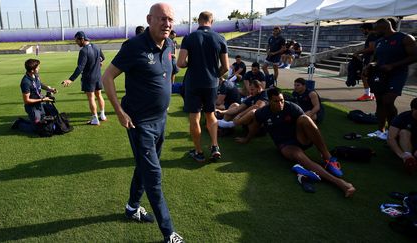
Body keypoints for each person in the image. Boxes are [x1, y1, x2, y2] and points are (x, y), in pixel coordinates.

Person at [100, 3, 184, 243]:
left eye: (170, 19)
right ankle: (169, 233)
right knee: (154, 175)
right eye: (162, 19)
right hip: (140, 124)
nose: (167, 24)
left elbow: (172, 71)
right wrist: (119, 111)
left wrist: (165, 98)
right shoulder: (134, 46)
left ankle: (132, 207)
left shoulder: (169, 44)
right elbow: (107, 77)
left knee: (145, 166)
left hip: (161, 120)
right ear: (149, 19)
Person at [237, 88, 356, 197]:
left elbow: (307, 124)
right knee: (299, 156)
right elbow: (255, 127)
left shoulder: (291, 107)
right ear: (269, 101)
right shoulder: (262, 112)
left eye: (282, 100)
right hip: (286, 145)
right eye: (276, 101)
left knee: (305, 118)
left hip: (300, 138)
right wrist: (247, 139)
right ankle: (340, 183)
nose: (280, 104)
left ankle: (327, 157)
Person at [177, 11, 229, 163]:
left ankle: (199, 152)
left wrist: (191, 64)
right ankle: (214, 146)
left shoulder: (189, 37)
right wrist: (215, 75)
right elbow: (226, 67)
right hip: (211, 83)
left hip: (193, 82)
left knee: (194, 117)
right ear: (211, 21)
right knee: (210, 114)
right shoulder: (220, 38)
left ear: (198, 21)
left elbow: (180, 63)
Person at [366, 18, 417, 140]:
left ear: (385, 28)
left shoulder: (405, 38)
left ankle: (393, 130)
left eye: (376, 30)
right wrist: (369, 65)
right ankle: (380, 130)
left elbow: (415, 56)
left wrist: (393, 65)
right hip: (380, 75)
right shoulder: (379, 41)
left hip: (397, 74)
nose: (374, 32)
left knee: (388, 101)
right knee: (379, 101)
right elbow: (375, 59)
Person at [61, 31, 106, 125]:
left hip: (89, 78)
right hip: (98, 76)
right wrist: (99, 62)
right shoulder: (96, 47)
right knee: (99, 95)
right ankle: (102, 115)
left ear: (82, 39)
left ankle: (95, 119)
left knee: (91, 98)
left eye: (77, 41)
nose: (76, 43)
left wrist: (71, 79)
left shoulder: (83, 51)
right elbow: (103, 58)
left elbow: (80, 67)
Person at [14, 59, 57, 133]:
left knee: (43, 123)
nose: (39, 68)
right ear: (32, 70)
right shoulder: (25, 82)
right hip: (32, 107)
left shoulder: (36, 75)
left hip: (39, 104)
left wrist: (49, 89)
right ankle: (19, 123)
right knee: (36, 129)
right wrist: (42, 100)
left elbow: (40, 84)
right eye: (37, 67)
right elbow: (26, 101)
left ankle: (29, 122)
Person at [387, 98, 417, 174]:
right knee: (404, 132)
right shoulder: (403, 117)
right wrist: (400, 154)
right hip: (405, 143)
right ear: (413, 109)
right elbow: (391, 137)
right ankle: (408, 157)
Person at [353, 23, 378, 101]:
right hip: (372, 58)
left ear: (367, 29)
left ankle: (367, 94)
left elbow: (371, 48)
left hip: (370, 58)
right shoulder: (374, 35)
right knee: (370, 77)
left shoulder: (372, 36)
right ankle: (372, 95)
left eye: (363, 30)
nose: (362, 32)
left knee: (364, 75)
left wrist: (358, 52)